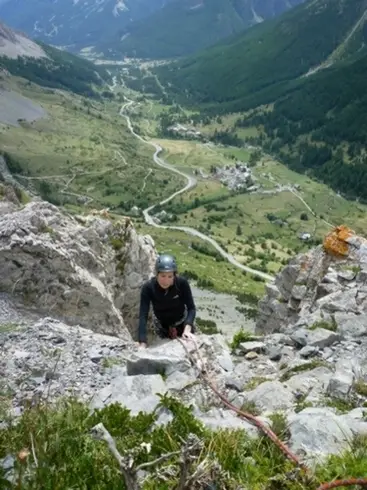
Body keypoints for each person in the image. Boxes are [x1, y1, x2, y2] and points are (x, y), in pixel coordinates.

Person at [138, 253, 196, 348]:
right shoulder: (148, 288)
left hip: (183, 323)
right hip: (162, 327)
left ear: (174, 275)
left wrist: (187, 329)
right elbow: (143, 316)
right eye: (163, 276)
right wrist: (142, 342)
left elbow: (191, 308)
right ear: (157, 274)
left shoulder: (182, 284)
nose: (166, 281)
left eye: (170, 276)